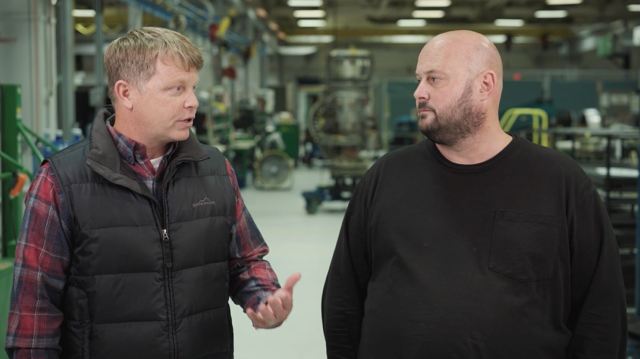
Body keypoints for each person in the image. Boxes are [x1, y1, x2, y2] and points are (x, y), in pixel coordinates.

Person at [322, 30, 627, 359]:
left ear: (485, 85)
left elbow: (602, 314)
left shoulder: (560, 182)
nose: (418, 92)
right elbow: (343, 299)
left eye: (434, 79)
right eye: (419, 79)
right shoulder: (385, 177)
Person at [6, 27, 300, 359]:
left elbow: (244, 262)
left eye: (193, 87)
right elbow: (33, 321)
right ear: (126, 93)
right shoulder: (60, 182)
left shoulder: (216, 169)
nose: (193, 101)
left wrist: (263, 296)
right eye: (176, 88)